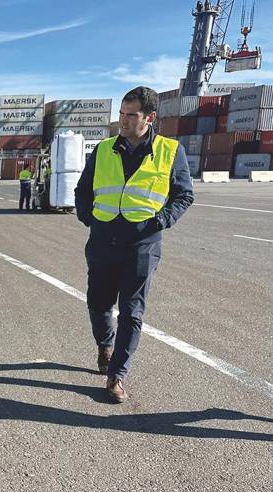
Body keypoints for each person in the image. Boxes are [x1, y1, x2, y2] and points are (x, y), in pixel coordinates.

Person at [74, 86, 193, 403]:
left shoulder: (170, 151)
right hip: (102, 241)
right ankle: (105, 343)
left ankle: (117, 375)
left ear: (149, 117)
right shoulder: (103, 150)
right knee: (98, 304)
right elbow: (83, 190)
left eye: (131, 115)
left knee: (132, 312)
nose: (123, 121)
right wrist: (89, 217)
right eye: (121, 115)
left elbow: (184, 195)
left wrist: (160, 221)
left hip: (142, 244)